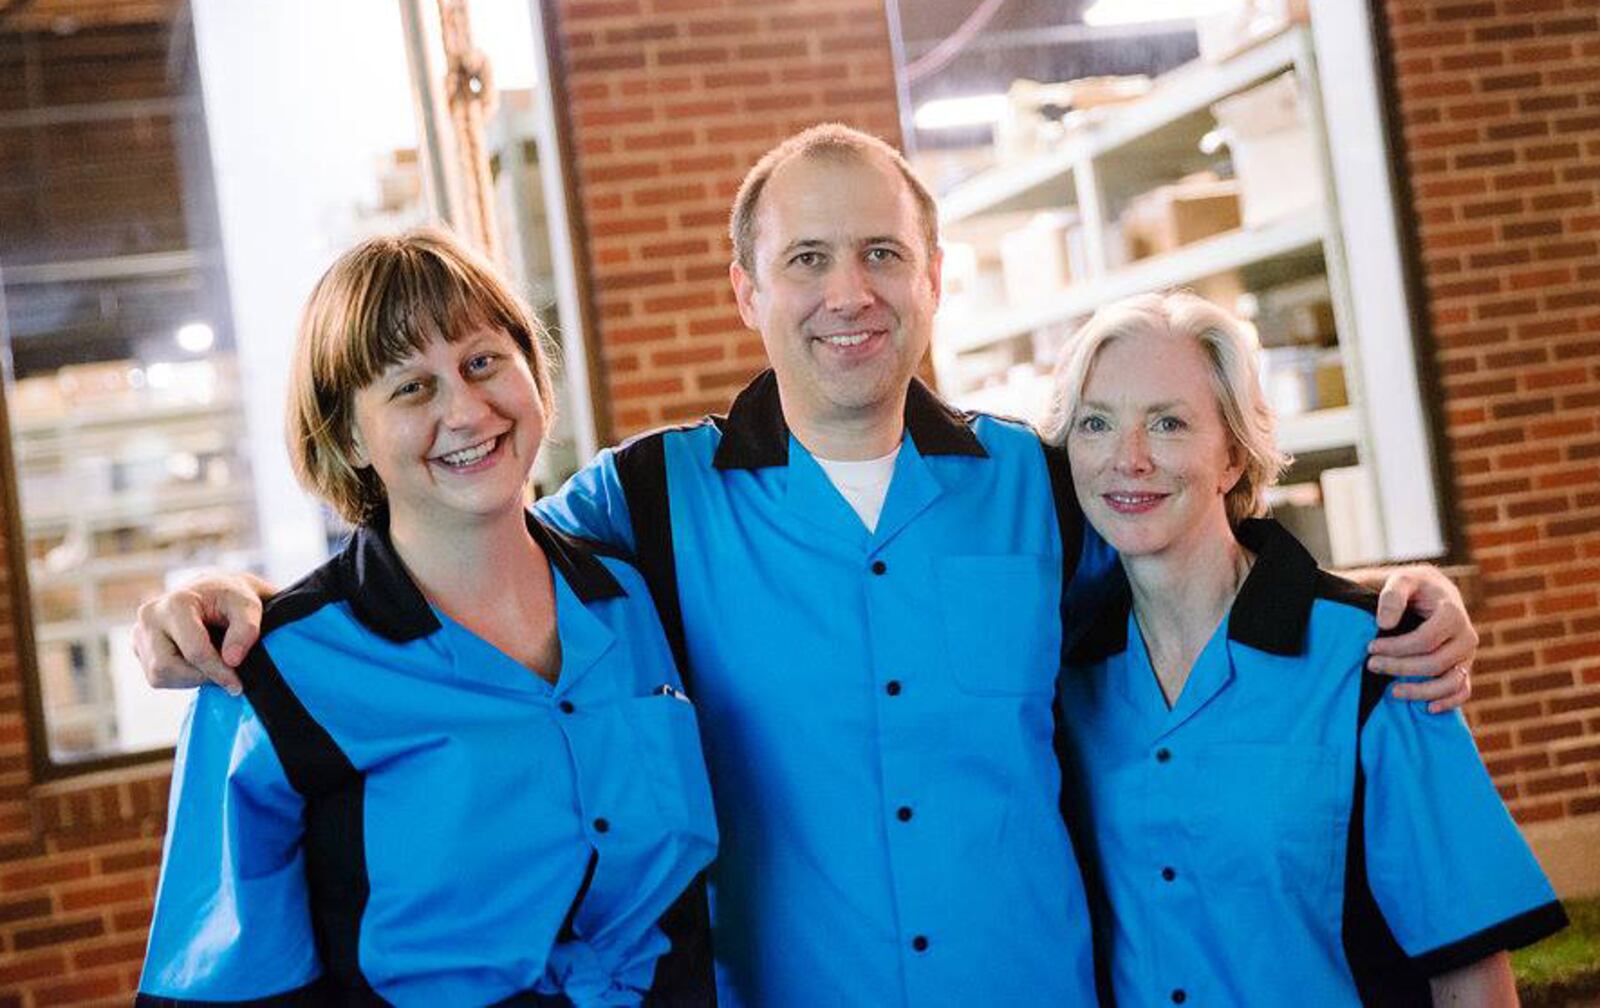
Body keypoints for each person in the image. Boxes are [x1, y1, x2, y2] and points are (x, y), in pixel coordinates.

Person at [134, 125, 1479, 1007]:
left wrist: (1387, 607)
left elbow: (1195, 565)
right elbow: (457, 545)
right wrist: (241, 603)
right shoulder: (642, 507)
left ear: (935, 277)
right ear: (747, 290)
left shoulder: (1038, 483)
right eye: (809, 259)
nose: (851, 292)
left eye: (883, 253)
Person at [136, 229, 718, 1006]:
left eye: (483, 362)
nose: (468, 410)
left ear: (532, 374)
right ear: (348, 436)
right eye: (412, 387)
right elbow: (223, 986)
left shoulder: (635, 593)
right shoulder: (273, 679)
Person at [1046, 291, 1564, 1006]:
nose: (1126, 459)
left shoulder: (1378, 661)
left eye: (1168, 423)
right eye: (1096, 424)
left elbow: (1471, 977)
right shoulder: (1063, 675)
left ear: (1232, 454)